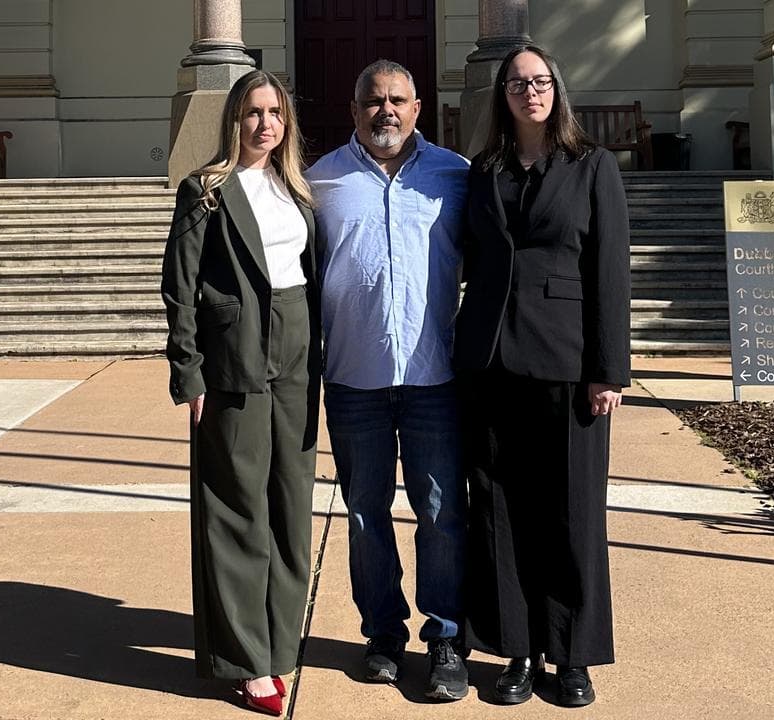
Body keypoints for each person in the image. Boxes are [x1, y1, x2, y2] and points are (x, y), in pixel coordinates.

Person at [455, 45, 630, 708]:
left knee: (572, 513)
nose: (530, 91)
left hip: (568, 366)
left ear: (557, 89)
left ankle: (572, 654)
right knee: (498, 510)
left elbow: (610, 272)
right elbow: (464, 256)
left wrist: (609, 369)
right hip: (490, 361)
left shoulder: (591, 166)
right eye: (517, 83)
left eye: (540, 81)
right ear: (503, 96)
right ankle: (518, 650)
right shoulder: (485, 170)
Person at [306, 59, 471, 701]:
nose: (387, 112)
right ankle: (381, 637)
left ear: (418, 107)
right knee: (366, 514)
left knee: (440, 513)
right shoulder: (321, 182)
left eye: (398, 100)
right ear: (354, 111)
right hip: (355, 379)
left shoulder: (454, 177)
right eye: (374, 101)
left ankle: (448, 639)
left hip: (435, 376)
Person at [160, 69, 320, 718]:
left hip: (298, 360)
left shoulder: (297, 189)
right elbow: (180, 285)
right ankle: (246, 662)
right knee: (236, 508)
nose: (264, 124)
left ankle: (280, 642)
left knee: (290, 504)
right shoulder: (206, 189)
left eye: (275, 112)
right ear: (234, 118)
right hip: (234, 359)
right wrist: (187, 371)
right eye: (253, 112)